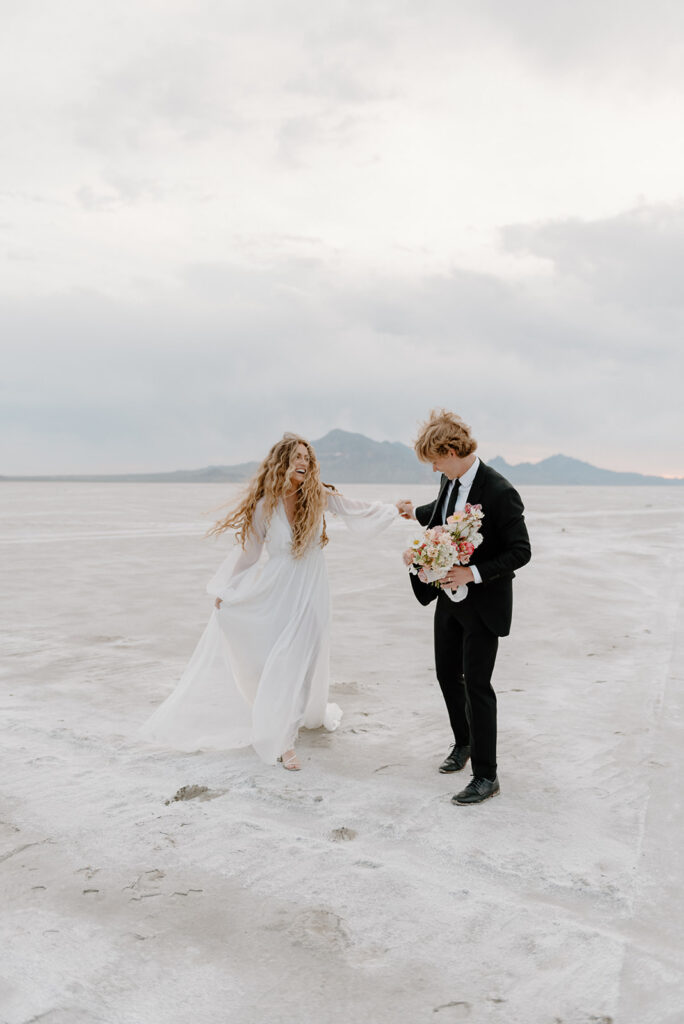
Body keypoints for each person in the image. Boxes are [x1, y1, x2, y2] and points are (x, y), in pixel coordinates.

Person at [140, 433, 402, 770]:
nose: (304, 463)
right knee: (280, 660)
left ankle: (287, 732)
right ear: (282, 462)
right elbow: (249, 556)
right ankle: (278, 730)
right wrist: (228, 588)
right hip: (277, 591)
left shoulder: (318, 496)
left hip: (312, 589)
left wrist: (395, 510)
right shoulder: (266, 506)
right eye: (297, 457)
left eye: (307, 457)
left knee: (304, 659)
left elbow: (357, 509)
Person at [398, 410, 531, 804]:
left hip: (484, 603)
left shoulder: (500, 491)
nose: (434, 468)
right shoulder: (449, 478)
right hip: (447, 600)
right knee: (445, 675)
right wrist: (415, 516)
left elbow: (521, 551)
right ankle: (464, 742)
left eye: (436, 460)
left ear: (453, 450)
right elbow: (445, 511)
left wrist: (471, 573)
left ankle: (486, 776)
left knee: (477, 686)